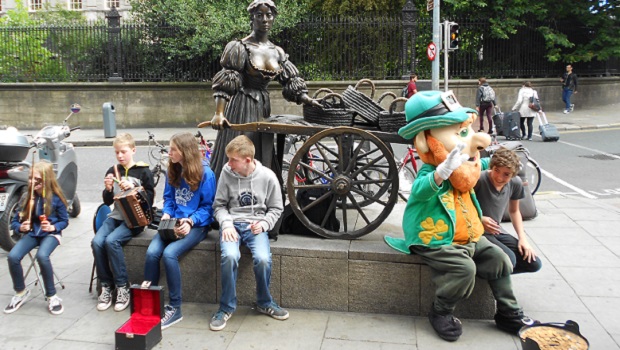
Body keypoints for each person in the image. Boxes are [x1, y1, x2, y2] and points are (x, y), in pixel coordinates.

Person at [384, 90, 536, 342]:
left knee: (499, 259)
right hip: (435, 238)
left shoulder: (466, 164)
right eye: (459, 133)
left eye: (465, 131)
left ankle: (508, 313)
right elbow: (418, 193)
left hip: (471, 235)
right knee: (464, 270)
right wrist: (441, 172)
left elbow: (485, 165)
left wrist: (499, 160)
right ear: (426, 140)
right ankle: (440, 312)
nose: (471, 138)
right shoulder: (431, 170)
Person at [209, 0, 320, 180]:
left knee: (262, 150)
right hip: (242, 106)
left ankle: (263, 192)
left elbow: (290, 81)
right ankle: (231, 193)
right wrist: (219, 113)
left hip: (263, 107)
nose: (265, 19)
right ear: (252, 19)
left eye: (269, 15)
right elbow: (227, 80)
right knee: (240, 149)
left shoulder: (277, 52)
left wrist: (306, 99)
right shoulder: (239, 47)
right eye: (259, 15)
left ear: (274, 18)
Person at [209, 135, 285, 331]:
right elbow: (218, 206)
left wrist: (265, 224)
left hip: (256, 225)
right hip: (232, 224)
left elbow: (276, 208)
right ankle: (225, 307)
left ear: (247, 160)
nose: (228, 163)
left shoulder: (267, 176)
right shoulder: (227, 173)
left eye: (233, 159)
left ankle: (264, 302)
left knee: (263, 258)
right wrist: (226, 224)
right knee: (230, 256)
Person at [144, 132, 216, 329]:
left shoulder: (206, 174)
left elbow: (208, 208)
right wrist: (167, 214)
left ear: (184, 151)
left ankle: (175, 308)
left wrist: (191, 221)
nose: (169, 152)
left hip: (197, 225)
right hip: (172, 221)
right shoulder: (173, 170)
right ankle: (148, 302)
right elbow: (168, 198)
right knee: (151, 253)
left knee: (169, 254)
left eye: (173, 149)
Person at [91, 133, 155, 312]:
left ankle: (122, 286)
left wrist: (135, 188)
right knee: (97, 242)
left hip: (135, 219)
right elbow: (107, 201)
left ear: (133, 150)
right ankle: (106, 285)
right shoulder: (112, 171)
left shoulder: (143, 171)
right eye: (117, 152)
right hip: (116, 216)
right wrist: (109, 189)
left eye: (124, 152)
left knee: (112, 241)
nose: (120, 156)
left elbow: (150, 199)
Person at [5, 161, 69, 315]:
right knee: (13, 256)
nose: (32, 182)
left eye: (37, 180)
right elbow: (15, 220)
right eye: (30, 178)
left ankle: (51, 295)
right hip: (33, 233)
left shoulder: (55, 198)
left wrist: (54, 227)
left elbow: (64, 221)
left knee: (42, 256)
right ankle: (20, 291)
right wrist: (20, 227)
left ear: (47, 180)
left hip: (51, 234)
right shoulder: (27, 197)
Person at [474, 148, 542, 274]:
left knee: (533, 263)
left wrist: (523, 239)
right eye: (497, 171)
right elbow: (461, 207)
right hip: (478, 232)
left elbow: (514, 211)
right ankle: (478, 273)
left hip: (496, 231)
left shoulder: (515, 183)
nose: (499, 177)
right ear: (492, 167)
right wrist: (479, 219)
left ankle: (494, 272)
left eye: (506, 174)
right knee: (509, 260)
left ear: (513, 175)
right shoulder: (479, 179)